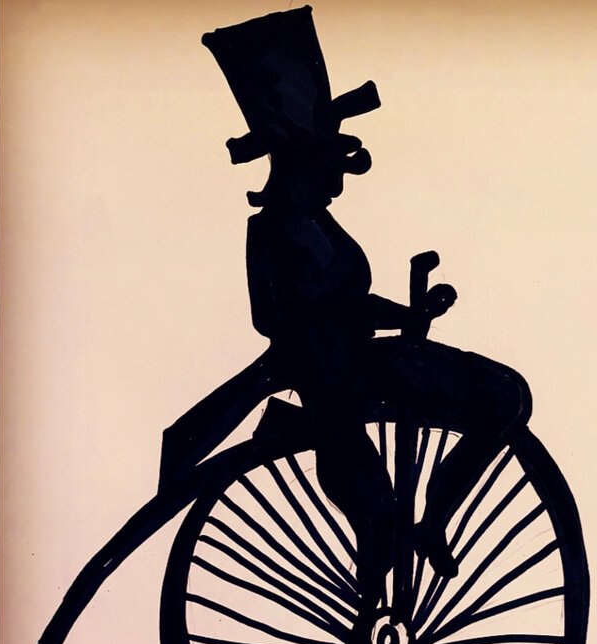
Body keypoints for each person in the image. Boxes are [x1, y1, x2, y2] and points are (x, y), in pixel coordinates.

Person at [204, 8, 531, 600]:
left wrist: (407, 316)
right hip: (340, 385)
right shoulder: (277, 231)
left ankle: (435, 516)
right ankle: (418, 536)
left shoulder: (312, 225)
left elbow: (345, 304)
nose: (339, 180)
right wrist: (356, 323)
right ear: (301, 164)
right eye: (331, 165)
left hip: (361, 369)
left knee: (509, 397)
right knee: (499, 403)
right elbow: (279, 317)